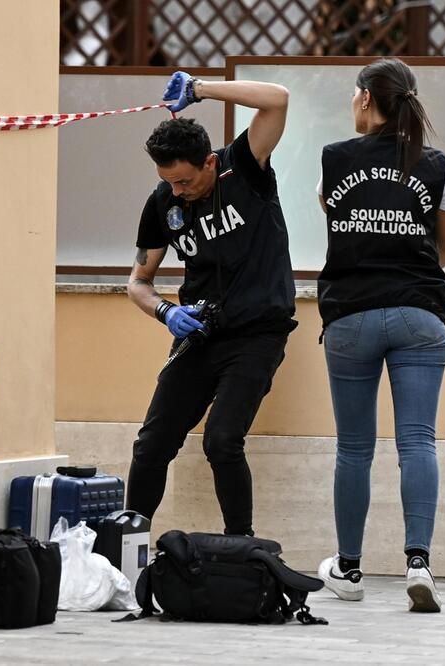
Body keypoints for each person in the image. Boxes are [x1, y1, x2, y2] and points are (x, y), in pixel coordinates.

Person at [315, 58, 445, 612]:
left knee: (353, 448)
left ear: (366, 97)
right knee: (417, 441)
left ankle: (349, 568)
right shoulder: (435, 164)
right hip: (418, 315)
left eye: (353, 96)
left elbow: (338, 223)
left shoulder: (335, 159)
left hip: (350, 316)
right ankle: (418, 563)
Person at [124, 72, 296, 537]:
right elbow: (138, 281)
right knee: (152, 443)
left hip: (257, 333)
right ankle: (129, 546)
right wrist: (165, 312)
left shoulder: (244, 167)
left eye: (183, 180)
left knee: (221, 440)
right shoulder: (163, 202)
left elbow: (277, 99)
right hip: (199, 334)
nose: (177, 191)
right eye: (168, 182)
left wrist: (199, 89)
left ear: (209, 162)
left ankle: (241, 547)